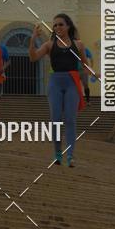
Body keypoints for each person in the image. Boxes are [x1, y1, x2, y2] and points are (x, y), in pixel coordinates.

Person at [29, 14, 87, 167]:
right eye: (55, 25)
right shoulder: (49, 45)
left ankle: (70, 155)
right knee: (55, 119)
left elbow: (85, 65)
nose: (57, 27)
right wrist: (33, 39)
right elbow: (33, 58)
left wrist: (96, 75)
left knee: (70, 119)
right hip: (55, 83)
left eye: (61, 24)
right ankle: (57, 154)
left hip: (72, 82)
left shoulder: (79, 45)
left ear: (68, 26)